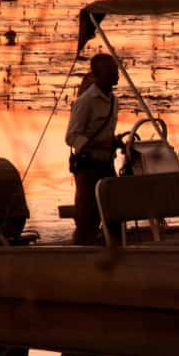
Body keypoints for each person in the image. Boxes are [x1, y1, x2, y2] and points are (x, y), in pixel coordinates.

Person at [65, 54, 120, 245]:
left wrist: (115, 142)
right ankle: (81, 252)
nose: (116, 74)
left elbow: (105, 133)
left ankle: (111, 250)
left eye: (116, 69)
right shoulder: (85, 101)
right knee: (87, 217)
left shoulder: (114, 100)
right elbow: (71, 137)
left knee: (114, 211)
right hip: (88, 167)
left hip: (107, 164)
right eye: (111, 71)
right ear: (97, 75)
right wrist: (99, 144)